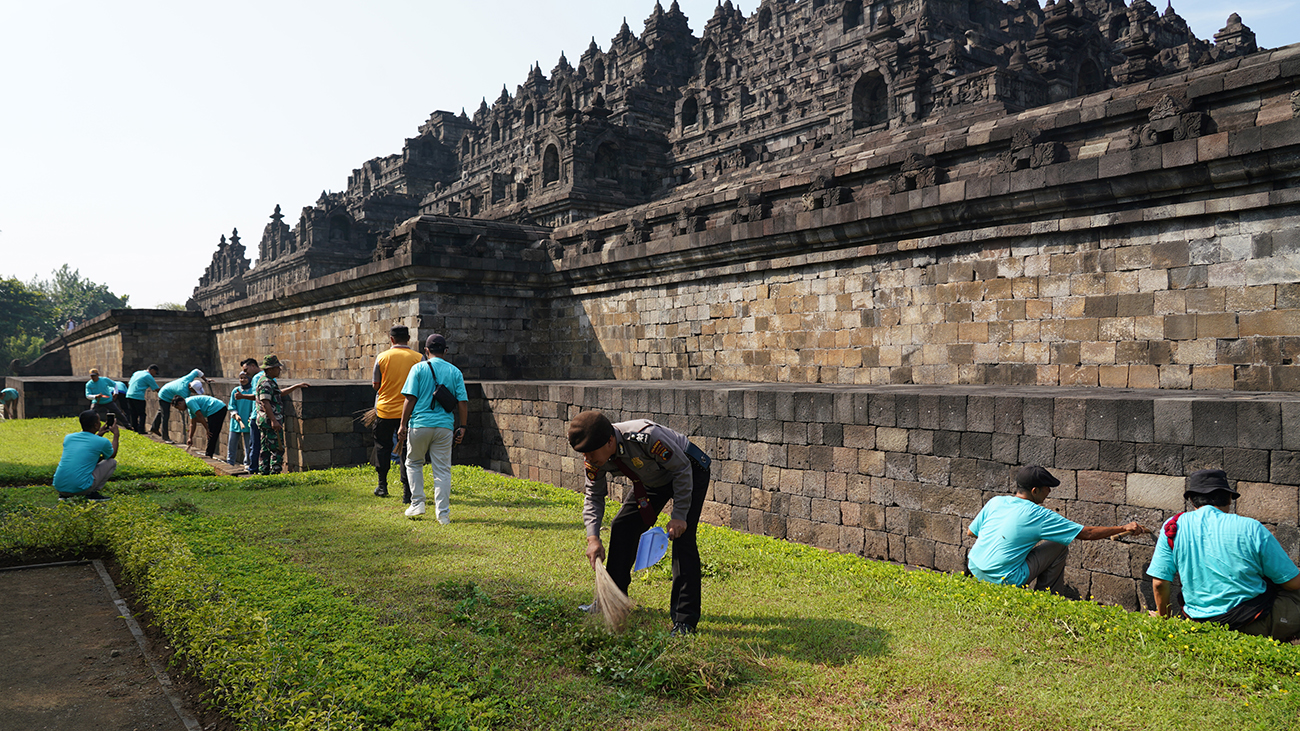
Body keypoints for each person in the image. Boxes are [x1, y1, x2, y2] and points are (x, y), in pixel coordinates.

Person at [568, 410, 711, 636]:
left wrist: (679, 515)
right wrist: (593, 538)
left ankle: (685, 621)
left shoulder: (646, 437)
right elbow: (594, 495)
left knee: (682, 539)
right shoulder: (594, 456)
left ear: (610, 441)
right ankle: (612, 603)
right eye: (583, 454)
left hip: (688, 469)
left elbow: (682, 469)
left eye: (590, 453)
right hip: (652, 479)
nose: (587, 459)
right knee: (624, 527)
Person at [1147, 469, 1300, 640]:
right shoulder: (1251, 527)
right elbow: (1292, 583)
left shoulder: (1173, 526)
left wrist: (1164, 620)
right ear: (1228, 499)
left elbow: (1159, 583)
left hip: (1198, 622)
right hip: (1250, 621)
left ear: (1191, 500)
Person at [966, 465, 1150, 592]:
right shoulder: (1038, 514)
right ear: (1035, 490)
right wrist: (1123, 527)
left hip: (974, 567)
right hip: (1004, 579)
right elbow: (1086, 533)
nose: (1050, 492)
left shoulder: (996, 501)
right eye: (1047, 488)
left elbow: (971, 532)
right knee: (1059, 545)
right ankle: (1047, 597)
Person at [396, 333, 467, 522]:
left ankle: (417, 503)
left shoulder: (418, 369)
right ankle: (443, 514)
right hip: (444, 426)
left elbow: (410, 398)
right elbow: (462, 403)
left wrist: (403, 424)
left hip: (419, 424)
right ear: (445, 351)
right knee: (442, 470)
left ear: (426, 351)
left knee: (413, 463)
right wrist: (463, 427)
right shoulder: (455, 372)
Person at [371, 325, 422, 501]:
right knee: (408, 451)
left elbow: (376, 385)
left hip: (384, 411)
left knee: (382, 447)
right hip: (409, 413)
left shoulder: (382, 357)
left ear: (391, 339)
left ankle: (382, 485)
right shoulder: (419, 358)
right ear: (408, 338)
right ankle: (407, 492)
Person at [254, 354, 309, 475]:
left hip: (266, 420)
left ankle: (263, 472)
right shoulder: (265, 383)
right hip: (270, 420)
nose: (279, 370)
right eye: (277, 368)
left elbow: (278, 394)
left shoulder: (268, 381)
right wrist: (273, 420)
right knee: (277, 449)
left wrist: (296, 386)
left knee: (266, 448)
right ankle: (275, 474)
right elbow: (265, 403)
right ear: (270, 369)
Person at [53, 409, 119, 501]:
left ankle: (65, 496)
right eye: (99, 421)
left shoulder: (69, 438)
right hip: (80, 489)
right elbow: (112, 455)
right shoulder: (102, 442)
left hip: (59, 487)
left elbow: (87, 450)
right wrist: (116, 435)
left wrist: (98, 434)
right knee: (111, 462)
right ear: (96, 425)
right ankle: (92, 493)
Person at [152, 368, 210, 442]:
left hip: (167, 388)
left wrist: (206, 379)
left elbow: (197, 371)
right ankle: (165, 437)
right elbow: (190, 407)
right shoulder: (183, 392)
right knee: (165, 416)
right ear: (190, 388)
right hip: (164, 396)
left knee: (162, 411)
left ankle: (154, 427)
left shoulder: (189, 378)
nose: (195, 393)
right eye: (194, 391)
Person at [233, 359, 263, 472]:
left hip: (257, 415)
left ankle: (253, 468)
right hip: (264, 414)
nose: (245, 373)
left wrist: (242, 396)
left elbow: (257, 396)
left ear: (253, 366)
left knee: (254, 445)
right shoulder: (268, 376)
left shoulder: (256, 377)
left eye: (246, 370)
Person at [178, 394, 227, 459]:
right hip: (214, 410)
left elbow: (200, 416)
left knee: (211, 434)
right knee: (211, 434)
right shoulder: (189, 407)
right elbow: (192, 423)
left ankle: (208, 455)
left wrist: (207, 429)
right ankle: (209, 454)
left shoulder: (189, 402)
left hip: (217, 409)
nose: (180, 410)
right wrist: (190, 438)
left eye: (178, 407)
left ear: (180, 403)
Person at [226, 371, 255, 468]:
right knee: (232, 443)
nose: (242, 380)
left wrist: (251, 416)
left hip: (248, 421)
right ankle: (230, 462)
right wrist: (235, 414)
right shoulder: (236, 390)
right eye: (241, 378)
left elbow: (254, 405)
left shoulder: (252, 391)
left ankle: (247, 463)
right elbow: (231, 405)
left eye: (245, 378)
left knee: (248, 445)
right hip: (236, 421)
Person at [124, 365, 161, 433]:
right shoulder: (148, 376)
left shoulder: (137, 373)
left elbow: (130, 383)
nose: (154, 375)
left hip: (129, 394)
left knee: (133, 413)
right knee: (142, 414)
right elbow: (156, 388)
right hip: (138, 396)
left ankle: (135, 428)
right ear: (152, 370)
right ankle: (141, 430)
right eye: (155, 373)